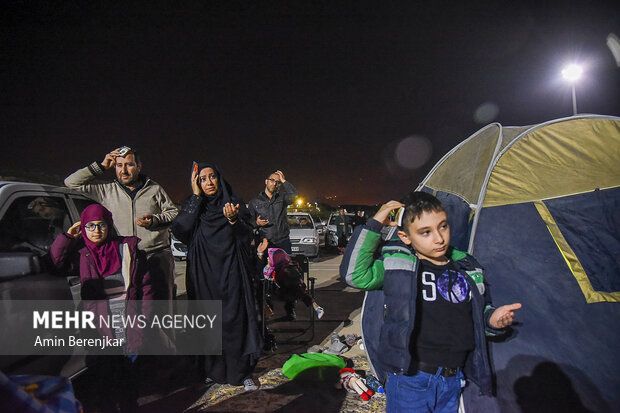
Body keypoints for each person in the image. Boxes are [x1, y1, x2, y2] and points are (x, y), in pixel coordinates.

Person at [340, 191, 522, 413]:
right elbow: (354, 275)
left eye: (443, 226)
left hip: (453, 380)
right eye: (425, 232)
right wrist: (374, 224)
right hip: (411, 379)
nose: (439, 238)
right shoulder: (398, 264)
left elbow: (478, 313)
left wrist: (492, 319)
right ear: (406, 237)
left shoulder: (466, 267)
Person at [50, 204, 152, 412]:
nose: (96, 230)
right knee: (102, 380)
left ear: (109, 225)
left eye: (101, 225)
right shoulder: (81, 254)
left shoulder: (127, 248)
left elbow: (146, 286)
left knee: (128, 378)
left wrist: (146, 318)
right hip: (98, 327)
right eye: (90, 226)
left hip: (127, 323)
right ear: (83, 229)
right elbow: (55, 262)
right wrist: (67, 237)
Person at [171, 162, 262, 391]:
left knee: (234, 319)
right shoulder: (196, 207)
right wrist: (195, 197)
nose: (209, 182)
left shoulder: (234, 204)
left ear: (219, 179)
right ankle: (212, 371)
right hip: (204, 274)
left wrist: (233, 221)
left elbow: (245, 238)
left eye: (212, 177)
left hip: (231, 270)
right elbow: (180, 230)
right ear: (197, 184)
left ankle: (242, 373)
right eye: (203, 179)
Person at [64, 147, 178, 301]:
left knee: (161, 308)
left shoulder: (154, 189)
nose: (123, 170)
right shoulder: (107, 191)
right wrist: (102, 166)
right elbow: (71, 183)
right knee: (130, 309)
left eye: (129, 165)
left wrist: (154, 220)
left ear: (138, 166)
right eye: (119, 165)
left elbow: (174, 213)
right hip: (123, 260)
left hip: (156, 257)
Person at [248, 170, 299, 319]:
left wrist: (285, 181)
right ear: (266, 181)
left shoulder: (282, 198)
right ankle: (267, 307)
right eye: (272, 180)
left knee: (288, 277)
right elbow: (247, 222)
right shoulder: (255, 202)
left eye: (277, 182)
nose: (274, 183)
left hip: (283, 242)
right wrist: (256, 223)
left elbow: (295, 196)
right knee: (263, 278)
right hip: (265, 244)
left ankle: (290, 310)